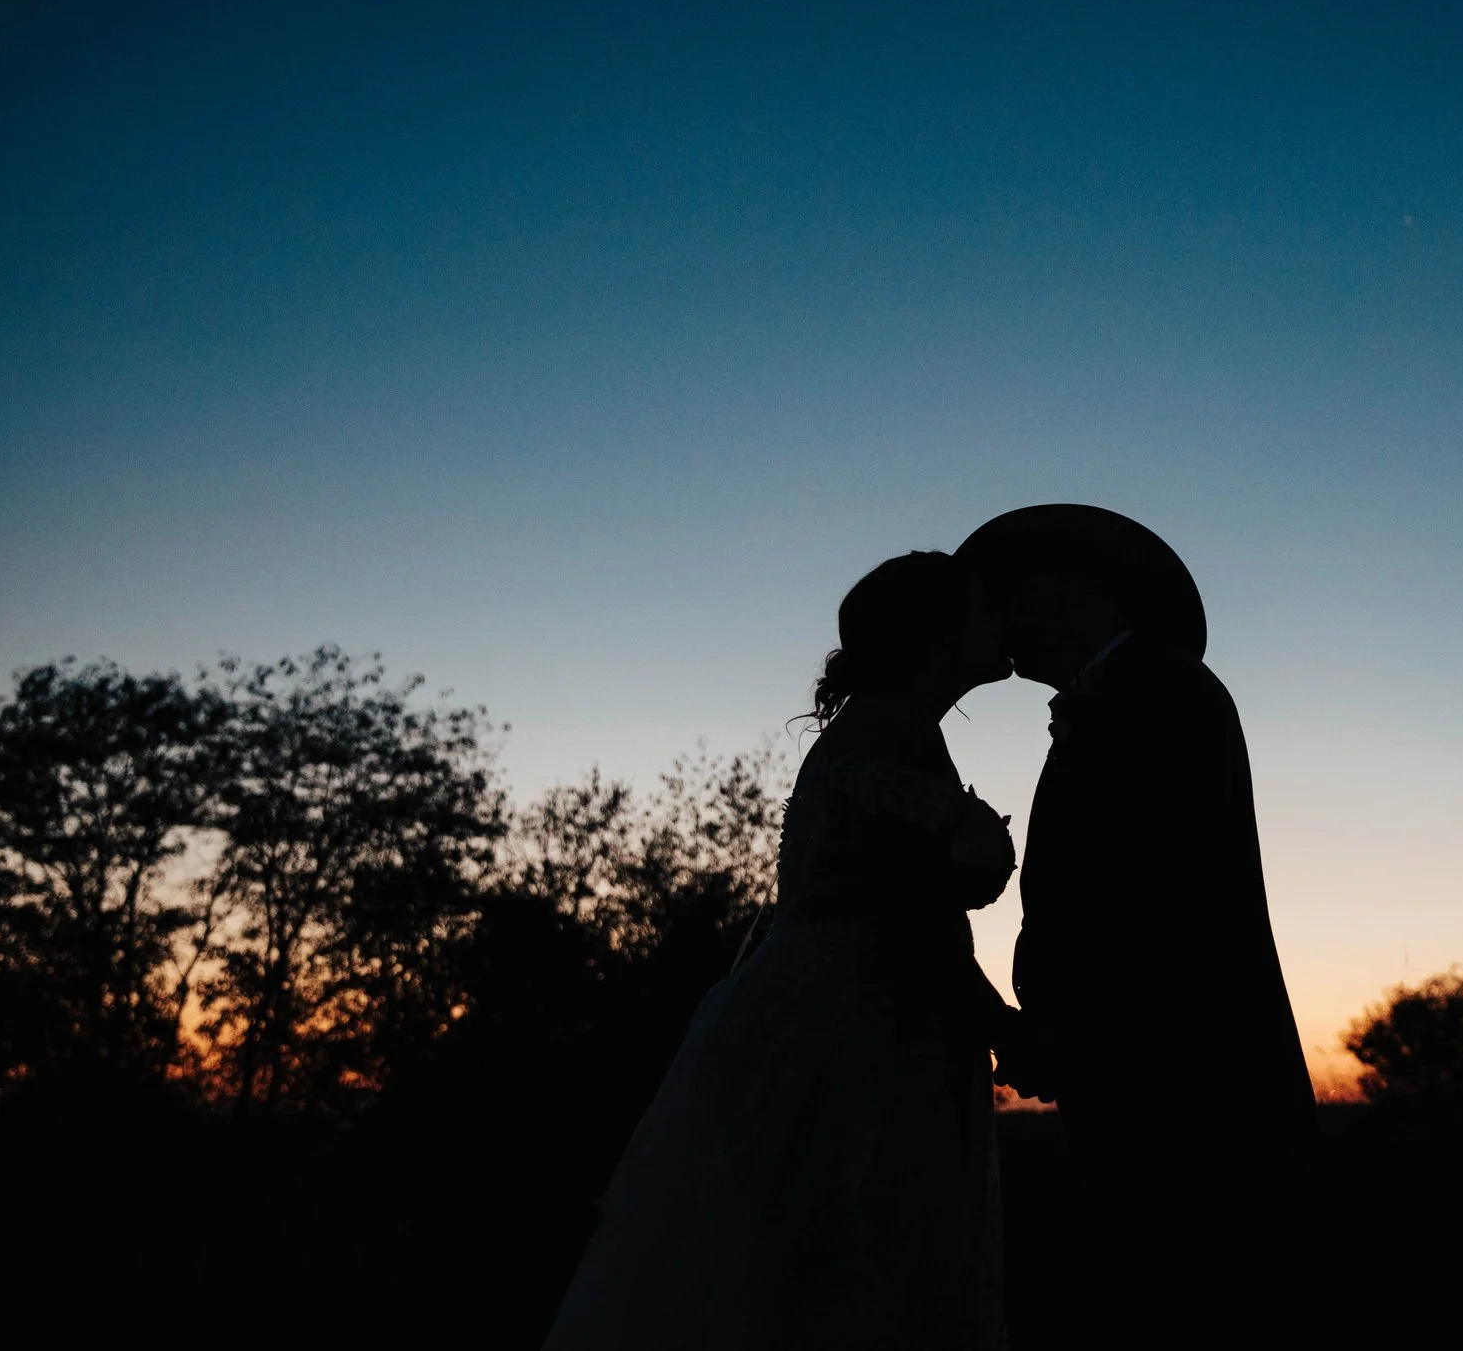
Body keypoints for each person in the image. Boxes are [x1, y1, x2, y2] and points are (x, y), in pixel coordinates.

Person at [545, 551, 1020, 1351]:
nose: (1003, 619)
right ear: (937, 636)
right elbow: (905, 920)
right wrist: (1004, 1025)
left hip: (851, 1015)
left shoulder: (895, 729)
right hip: (851, 1036)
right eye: (984, 607)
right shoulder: (885, 733)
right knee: (846, 1274)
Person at [958, 505, 1315, 1344]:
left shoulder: (1166, 690)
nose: (1006, 617)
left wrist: (1065, 1035)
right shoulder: (1118, 697)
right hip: (1141, 1087)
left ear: (1079, 588)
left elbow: (1155, 907)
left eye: (1020, 593)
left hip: (1190, 1100)